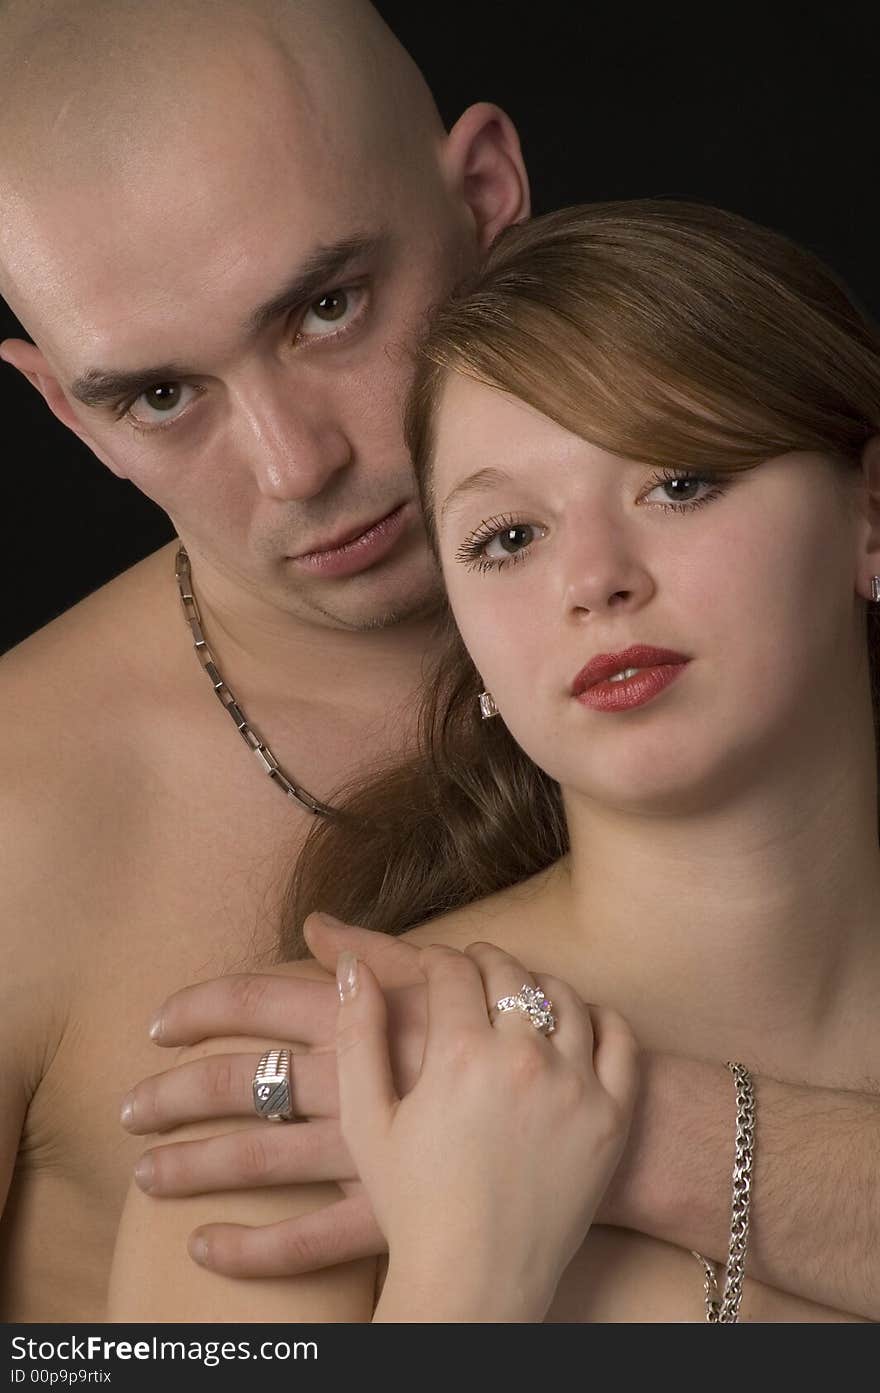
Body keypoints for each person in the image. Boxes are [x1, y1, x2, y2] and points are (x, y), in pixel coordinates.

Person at [0, 0, 876, 1323]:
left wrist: (636, 1129)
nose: (300, 467)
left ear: (484, 196)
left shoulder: (788, 590)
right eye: (161, 395)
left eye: (330, 307)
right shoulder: (27, 817)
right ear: (69, 410)